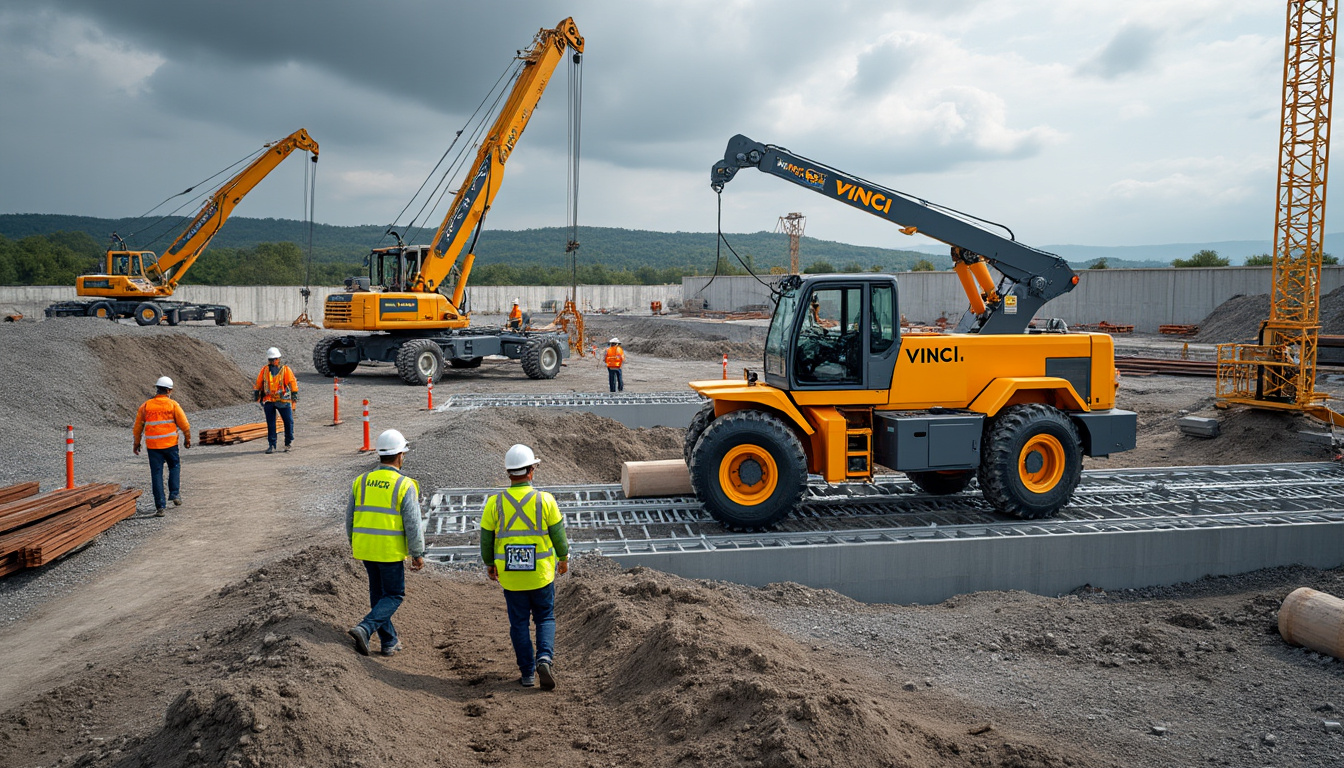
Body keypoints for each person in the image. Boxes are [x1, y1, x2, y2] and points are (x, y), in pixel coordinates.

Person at [480, 444, 568, 689]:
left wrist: (489, 563)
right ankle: (544, 658)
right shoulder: (545, 500)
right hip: (541, 575)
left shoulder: (495, 503)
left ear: (509, 472)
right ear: (531, 471)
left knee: (519, 623)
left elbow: (486, 539)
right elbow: (559, 536)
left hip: (511, 577)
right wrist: (563, 558)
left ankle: (528, 673)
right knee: (545, 617)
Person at [347, 429, 424, 657]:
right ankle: (365, 628)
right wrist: (417, 553)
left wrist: (355, 542)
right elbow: (413, 523)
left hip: (365, 547)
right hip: (389, 551)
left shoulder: (361, 481)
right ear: (400, 455)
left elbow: (349, 518)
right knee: (393, 595)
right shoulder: (404, 484)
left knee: (378, 593)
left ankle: (389, 641)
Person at [133, 376, 191, 517]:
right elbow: (184, 424)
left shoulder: (146, 406)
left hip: (153, 447)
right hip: (170, 445)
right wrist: (187, 439)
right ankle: (175, 494)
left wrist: (136, 443)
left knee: (156, 474)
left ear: (157, 389)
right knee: (174, 466)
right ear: (169, 390)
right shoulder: (173, 405)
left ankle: (160, 507)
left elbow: (138, 427)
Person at [254, 347, 298, 454]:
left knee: (288, 422)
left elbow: (292, 382)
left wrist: (294, 394)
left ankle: (288, 443)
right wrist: (257, 392)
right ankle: (272, 445)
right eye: (270, 359)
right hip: (269, 400)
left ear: (278, 359)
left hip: (283, 400)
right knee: (271, 424)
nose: (272, 361)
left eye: (274, 359)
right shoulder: (265, 370)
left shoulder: (285, 370)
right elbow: (259, 382)